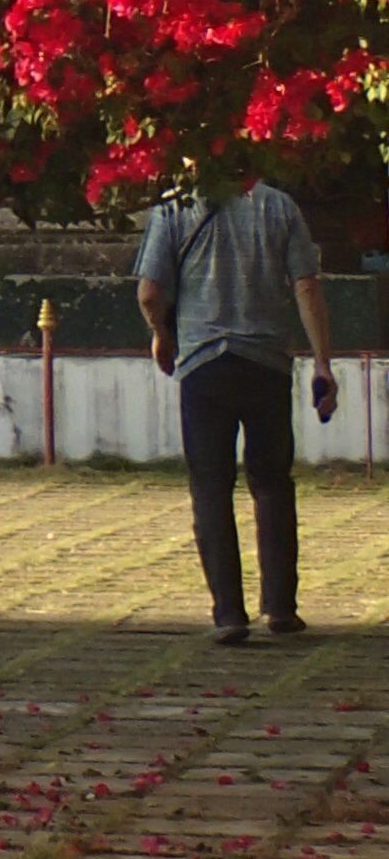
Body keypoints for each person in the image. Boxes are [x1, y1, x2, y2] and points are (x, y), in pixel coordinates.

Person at [137, 171, 340, 643]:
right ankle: (281, 607)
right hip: (267, 363)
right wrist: (322, 363)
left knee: (211, 487)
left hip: (203, 365)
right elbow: (306, 286)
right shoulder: (280, 207)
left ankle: (229, 613)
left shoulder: (173, 208)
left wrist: (162, 335)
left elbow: (149, 292)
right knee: (272, 484)